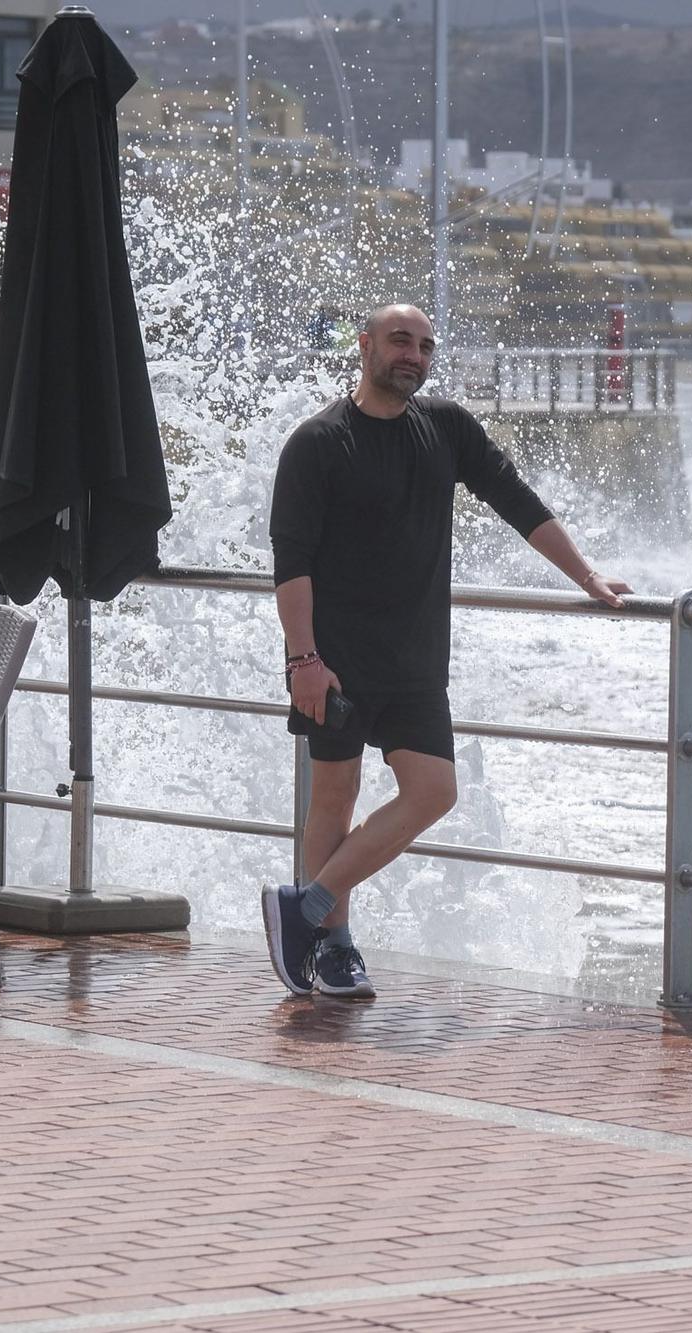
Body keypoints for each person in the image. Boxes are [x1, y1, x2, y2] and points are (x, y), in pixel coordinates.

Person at [263, 303, 631, 1001]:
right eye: (401, 340)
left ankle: (304, 909)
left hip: (415, 660)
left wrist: (585, 575)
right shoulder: (316, 443)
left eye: (426, 346)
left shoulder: (447, 427)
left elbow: (515, 499)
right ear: (365, 345)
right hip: (335, 660)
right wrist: (303, 659)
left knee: (435, 791)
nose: (415, 354)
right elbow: (292, 561)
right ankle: (333, 948)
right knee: (333, 801)